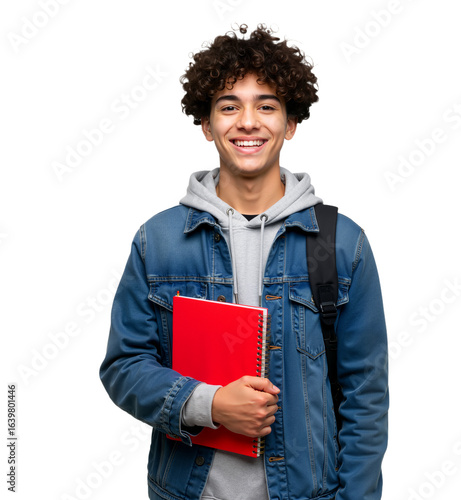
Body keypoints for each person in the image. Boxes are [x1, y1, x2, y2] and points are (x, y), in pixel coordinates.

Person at [100, 24, 389, 500]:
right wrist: (208, 404)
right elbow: (124, 365)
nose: (248, 121)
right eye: (229, 106)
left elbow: (365, 394)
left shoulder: (339, 242)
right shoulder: (160, 240)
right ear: (207, 124)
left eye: (267, 106)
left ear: (290, 124)